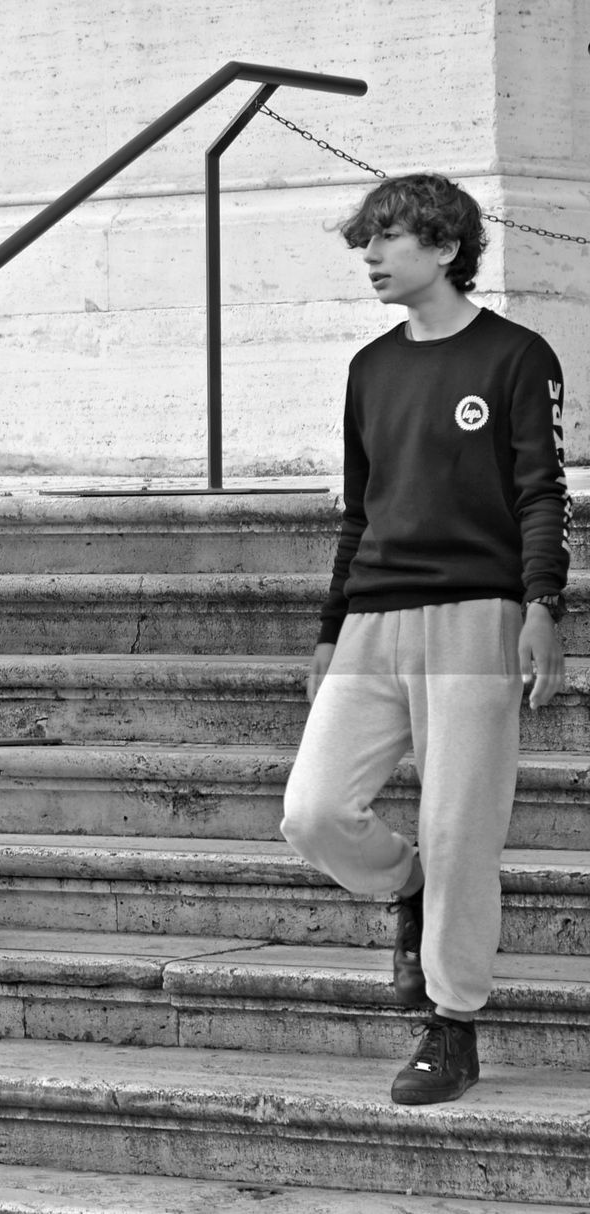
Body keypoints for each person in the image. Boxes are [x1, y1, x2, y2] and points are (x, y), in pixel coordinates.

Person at [280, 173, 569, 1105]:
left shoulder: (518, 357)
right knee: (314, 812)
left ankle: (451, 1023)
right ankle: (403, 889)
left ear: (445, 248)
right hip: (373, 617)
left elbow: (541, 494)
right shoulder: (370, 369)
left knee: (461, 830)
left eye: (388, 238)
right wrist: (331, 626)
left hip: (475, 615)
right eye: (365, 238)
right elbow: (358, 511)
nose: (369, 255)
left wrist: (543, 607)